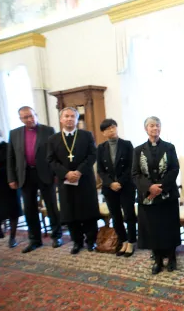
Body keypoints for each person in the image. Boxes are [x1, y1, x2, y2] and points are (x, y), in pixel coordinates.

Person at [7, 106, 62, 253]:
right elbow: (11, 157)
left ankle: (57, 236)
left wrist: (57, 174)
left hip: (45, 174)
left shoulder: (48, 131)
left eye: (31, 116)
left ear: (36, 115)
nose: (29, 119)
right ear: (20, 119)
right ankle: (35, 239)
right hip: (25, 175)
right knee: (30, 209)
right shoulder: (14, 134)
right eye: (25, 117)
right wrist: (12, 178)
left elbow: (56, 154)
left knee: (51, 207)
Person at [47, 107, 100, 254]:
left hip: (84, 180)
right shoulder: (53, 139)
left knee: (88, 211)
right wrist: (66, 173)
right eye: (66, 116)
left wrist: (79, 171)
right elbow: (51, 160)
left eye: (72, 116)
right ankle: (77, 242)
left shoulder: (86, 135)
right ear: (61, 119)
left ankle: (91, 241)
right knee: (70, 213)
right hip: (66, 182)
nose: (69, 119)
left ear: (77, 119)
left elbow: (92, 155)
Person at [133, 116, 181, 274]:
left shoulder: (169, 147)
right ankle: (158, 260)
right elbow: (135, 174)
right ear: (146, 129)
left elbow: (174, 169)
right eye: (152, 126)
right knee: (153, 229)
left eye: (158, 126)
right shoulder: (138, 150)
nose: (155, 129)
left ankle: (172, 258)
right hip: (148, 197)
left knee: (169, 227)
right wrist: (149, 187)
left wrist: (160, 187)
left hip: (167, 195)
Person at [97, 119, 136, 257]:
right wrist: (110, 183)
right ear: (103, 133)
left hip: (126, 186)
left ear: (117, 128)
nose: (111, 130)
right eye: (107, 129)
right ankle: (123, 241)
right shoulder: (101, 148)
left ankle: (131, 242)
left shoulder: (127, 145)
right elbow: (100, 170)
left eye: (113, 127)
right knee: (116, 216)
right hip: (109, 188)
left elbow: (132, 166)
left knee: (129, 215)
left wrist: (119, 182)